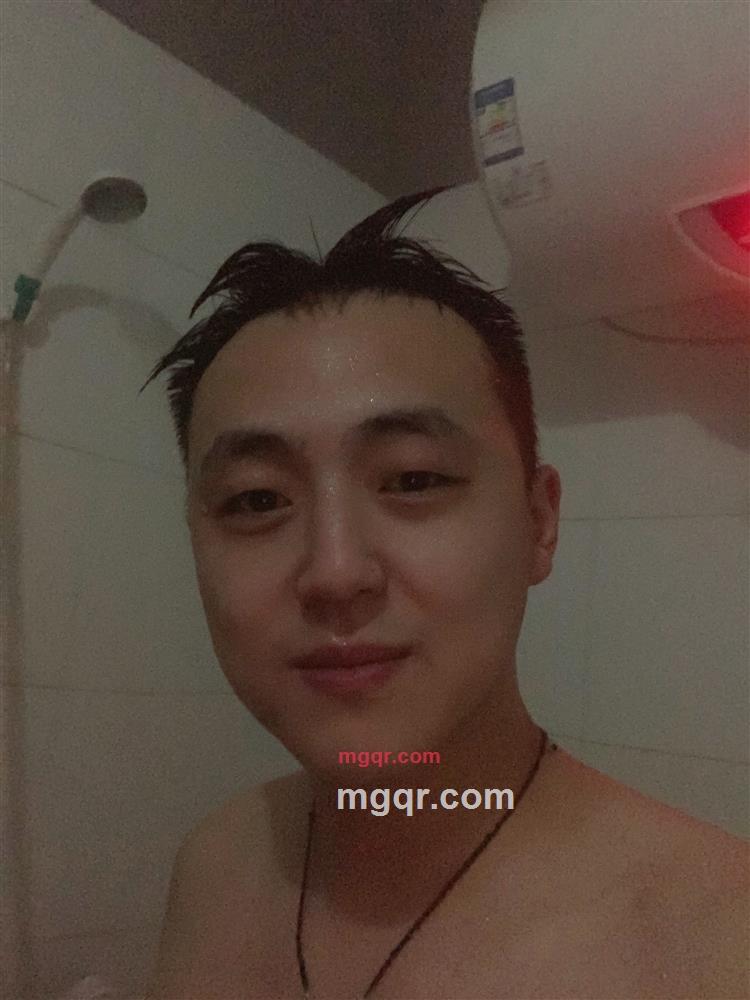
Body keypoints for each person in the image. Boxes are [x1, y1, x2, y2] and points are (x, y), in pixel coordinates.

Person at [141, 188, 748, 999]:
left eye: (414, 479)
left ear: (539, 522)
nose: (335, 573)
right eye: (256, 499)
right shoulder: (214, 864)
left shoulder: (716, 938)